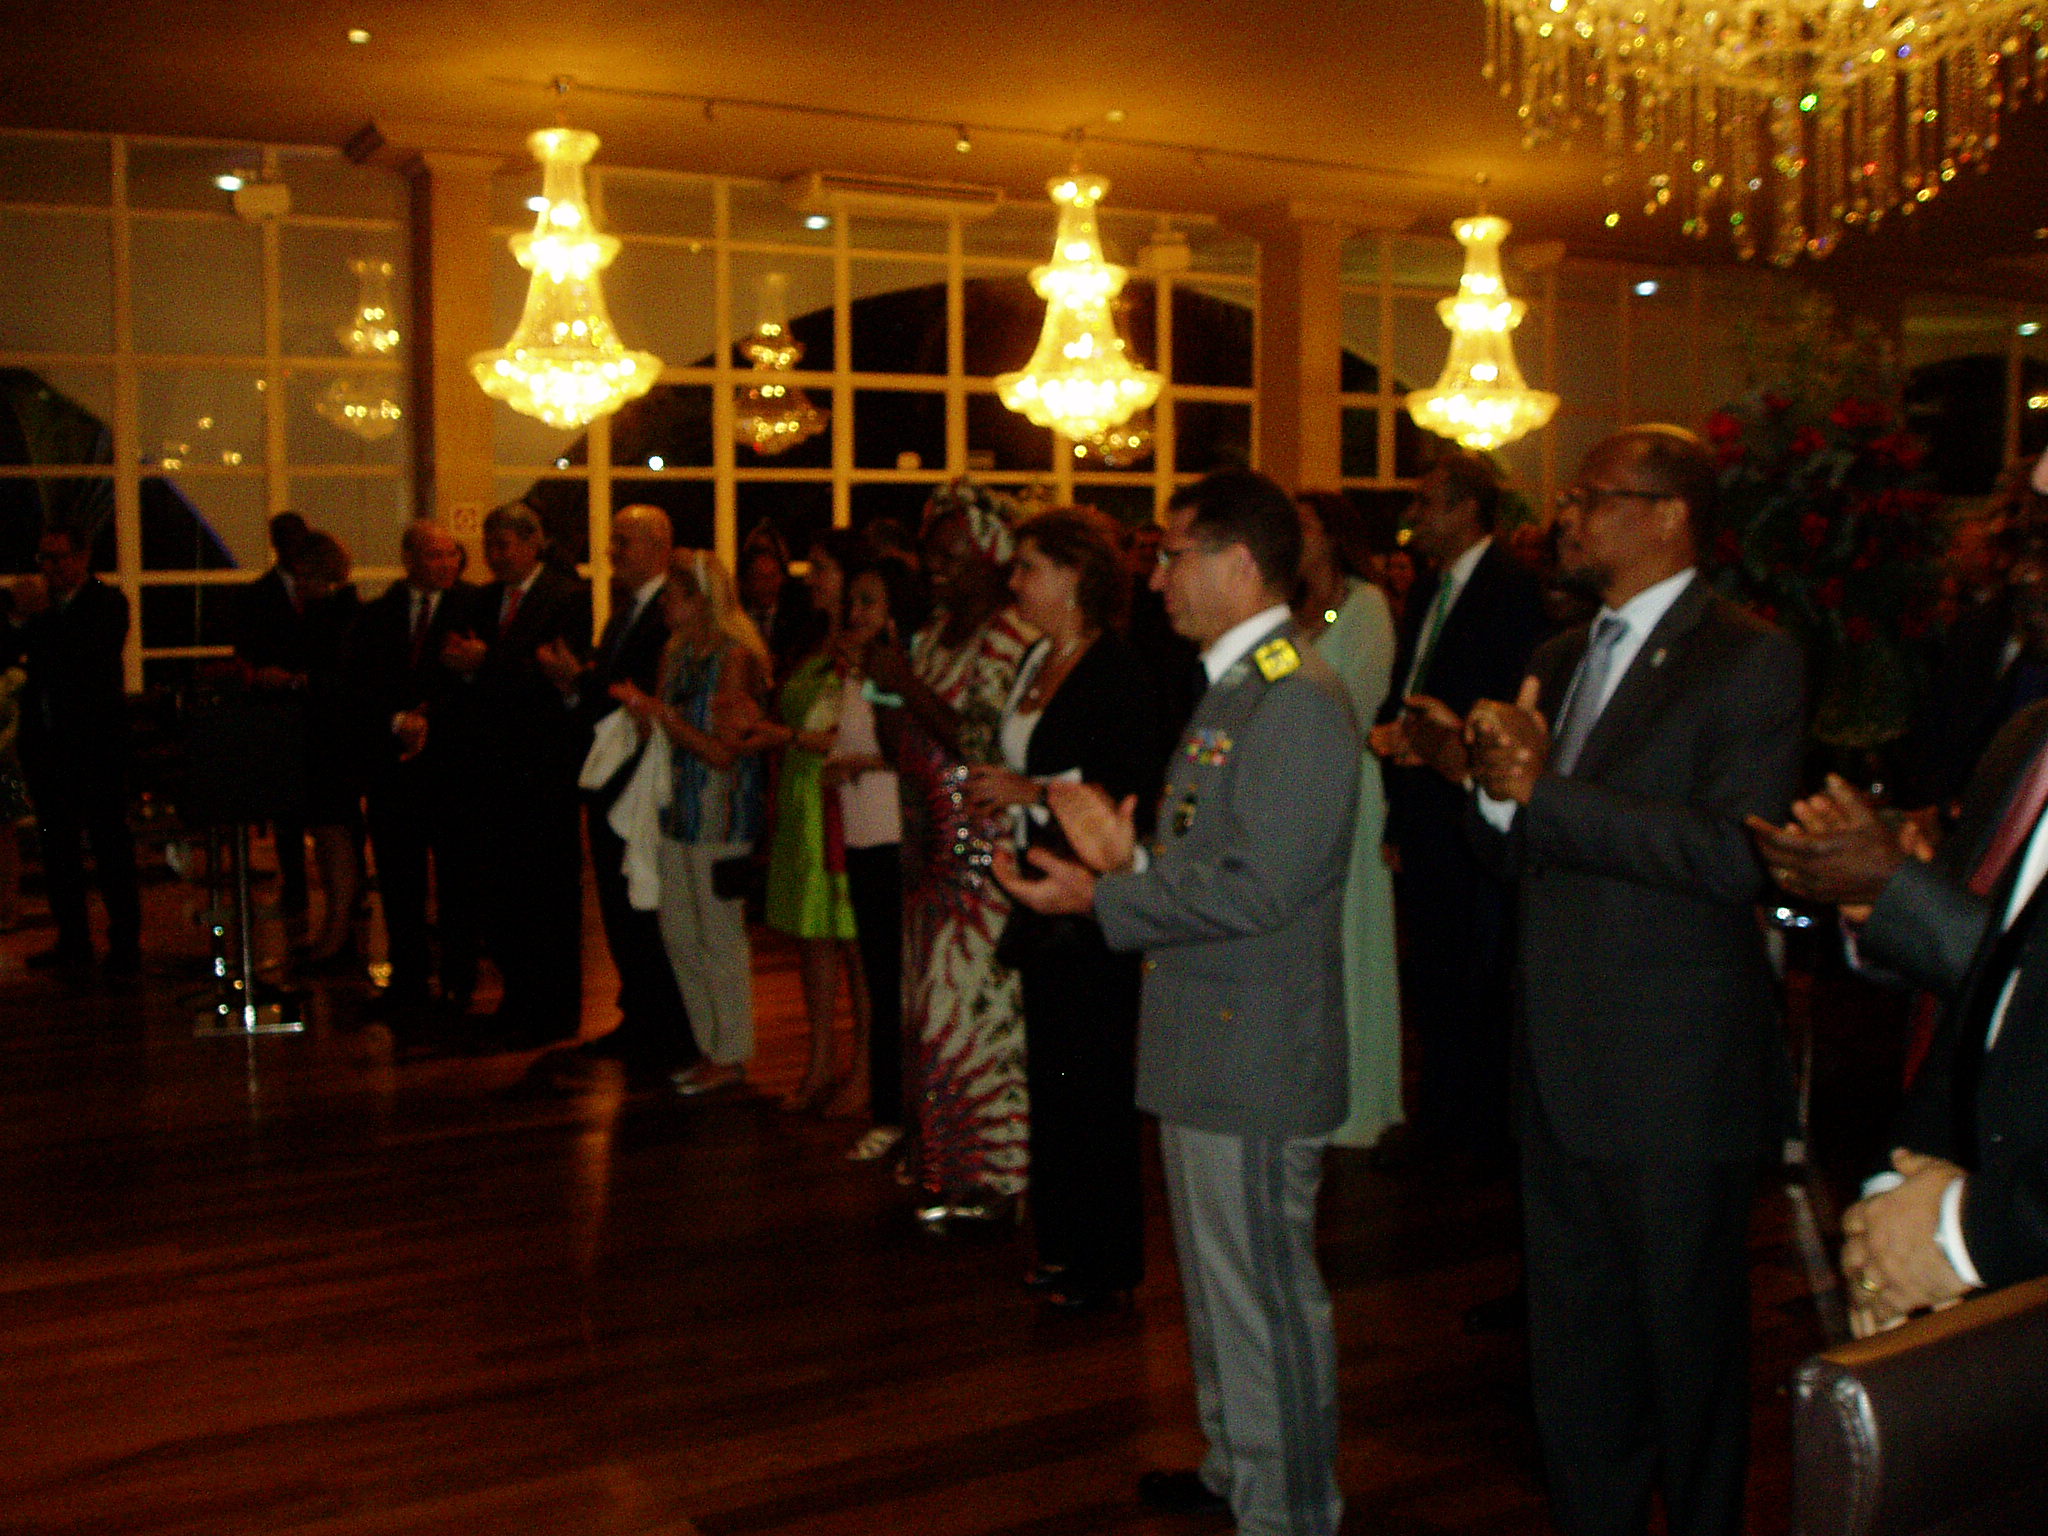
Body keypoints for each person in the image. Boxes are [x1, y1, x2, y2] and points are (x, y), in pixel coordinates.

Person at [1428, 425, 1804, 1536]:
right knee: (1574, 1357)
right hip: (1556, 1062)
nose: (1567, 515)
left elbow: (1731, 852)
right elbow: (1513, 850)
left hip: (1674, 1073)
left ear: (1669, 516)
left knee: (1688, 1361)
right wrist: (1487, 785)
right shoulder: (1556, 657)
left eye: (1592, 497)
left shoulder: (1747, 657)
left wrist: (1541, 793)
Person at [997, 469, 1358, 1536]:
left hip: (1253, 1049)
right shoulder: (1236, 684)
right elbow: (1220, 861)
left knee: (1262, 1296)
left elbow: (1264, 888)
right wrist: (1134, 858)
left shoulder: (1294, 695)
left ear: (1239, 564)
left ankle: (1290, 1508)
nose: (1155, 577)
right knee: (1217, 1285)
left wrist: (1107, 894)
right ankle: (1238, 1465)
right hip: (1211, 1037)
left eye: (1173, 555)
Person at [1750, 704, 2048, 1327]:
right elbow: (1995, 990)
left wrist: (1961, 1233)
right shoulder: (2026, 733)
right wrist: (1893, 1209)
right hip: (1958, 1214)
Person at [965, 507, 1158, 1312]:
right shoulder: (1039, 657)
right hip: (1042, 892)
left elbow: (1129, 782)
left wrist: (1033, 791)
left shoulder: (1116, 669)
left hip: (1091, 896)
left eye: (1029, 568)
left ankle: (1105, 1259)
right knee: (1054, 1073)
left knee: (1094, 1079)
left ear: (1075, 576)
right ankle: (1064, 1242)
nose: (1014, 582)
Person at [1369, 451, 1547, 1165]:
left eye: (1426, 502)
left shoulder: (1514, 588)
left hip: (1475, 805)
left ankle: (1475, 1128)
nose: (1414, 517)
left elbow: (1511, 698)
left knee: (1477, 971)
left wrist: (1454, 743)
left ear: (1468, 509)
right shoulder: (1429, 589)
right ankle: (1441, 1119)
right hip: (1424, 807)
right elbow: (1408, 684)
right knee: (1435, 972)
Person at [865, 480, 1034, 1226]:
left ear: (993, 558)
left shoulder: (1009, 636)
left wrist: (905, 686)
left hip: (981, 861)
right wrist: (883, 690)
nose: (933, 569)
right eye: (929, 555)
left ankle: (997, 1177)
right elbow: (896, 744)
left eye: (950, 557)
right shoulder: (932, 635)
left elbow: (980, 742)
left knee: (979, 1016)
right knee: (927, 1012)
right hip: (928, 852)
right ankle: (941, 1163)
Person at [611, 549, 781, 1096]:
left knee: (719, 934)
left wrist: (663, 715)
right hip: (674, 806)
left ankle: (732, 1052)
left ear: (701, 600)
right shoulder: (675, 652)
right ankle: (710, 1045)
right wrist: (643, 718)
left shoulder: (735, 657)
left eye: (673, 595)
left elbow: (724, 753)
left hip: (720, 810)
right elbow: (661, 734)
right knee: (679, 933)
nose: (664, 604)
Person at [538, 504, 697, 1081]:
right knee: (618, 903)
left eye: (623, 542)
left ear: (658, 547)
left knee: (645, 904)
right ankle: (638, 1015)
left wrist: (581, 680)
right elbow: (610, 690)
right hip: (613, 775)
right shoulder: (627, 611)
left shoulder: (668, 616)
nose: (611, 552)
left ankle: (665, 1026)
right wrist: (575, 685)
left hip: (645, 777)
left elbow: (644, 693)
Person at [443, 502, 591, 1048]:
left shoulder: (566, 597)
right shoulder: (483, 601)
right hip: (492, 768)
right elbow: (468, 668)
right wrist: (465, 668)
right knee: (503, 895)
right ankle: (517, 998)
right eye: (490, 545)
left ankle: (555, 1009)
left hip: (543, 766)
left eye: (505, 545)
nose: (496, 555)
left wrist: (487, 664)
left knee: (548, 894)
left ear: (533, 544)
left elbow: (557, 675)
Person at [1295, 490, 1403, 1150]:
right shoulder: (1287, 607)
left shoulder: (1365, 606)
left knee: (1350, 936)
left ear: (1333, 536)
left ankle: (1358, 1096)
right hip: (1292, 788)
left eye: (1304, 527)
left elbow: (1356, 703)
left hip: (1344, 785)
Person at [348, 519, 481, 1016]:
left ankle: (459, 979)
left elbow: (478, 685)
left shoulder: (474, 606)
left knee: (458, 879)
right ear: (408, 559)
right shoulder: (377, 614)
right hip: (394, 769)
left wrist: (431, 716)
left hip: (453, 766)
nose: (445, 564)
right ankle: (408, 979)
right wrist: (396, 719)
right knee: (400, 878)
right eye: (433, 555)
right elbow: (359, 682)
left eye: (451, 554)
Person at [763, 530, 868, 1112]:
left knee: (855, 945)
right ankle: (820, 1059)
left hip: (844, 800)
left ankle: (866, 1070)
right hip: (803, 797)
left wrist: (782, 735)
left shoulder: (868, 646)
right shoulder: (812, 640)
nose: (812, 578)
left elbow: (854, 737)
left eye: (824, 568)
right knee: (813, 940)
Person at [9, 523, 140, 978]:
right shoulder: (39, 610)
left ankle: (125, 943)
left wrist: (40, 619)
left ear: (82, 558)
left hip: (95, 747)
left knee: (109, 845)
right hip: (47, 748)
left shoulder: (107, 603)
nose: (50, 568)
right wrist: (19, 618)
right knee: (57, 847)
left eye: (58, 558)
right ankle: (72, 939)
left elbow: (81, 660)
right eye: (43, 559)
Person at [825, 556, 917, 1162]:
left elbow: (915, 748)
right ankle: (893, 1113)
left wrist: (859, 764)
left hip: (894, 836)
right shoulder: (857, 672)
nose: (855, 613)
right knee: (880, 980)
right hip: (863, 834)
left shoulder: (897, 670)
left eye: (868, 602)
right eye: (852, 601)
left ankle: (903, 1116)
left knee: (896, 983)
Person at [281, 531, 364, 968]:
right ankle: (337, 927)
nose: (297, 584)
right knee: (331, 833)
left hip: (334, 738)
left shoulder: (340, 617)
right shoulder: (335, 612)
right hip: (328, 735)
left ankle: (337, 930)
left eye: (302, 576)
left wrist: (298, 680)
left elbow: (341, 678)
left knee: (334, 833)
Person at [232, 510, 317, 923]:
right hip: (278, 710)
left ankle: (344, 893)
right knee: (287, 810)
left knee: (330, 811)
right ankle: (296, 889)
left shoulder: (319, 590)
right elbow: (246, 651)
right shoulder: (258, 595)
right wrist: (266, 675)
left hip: (317, 707)